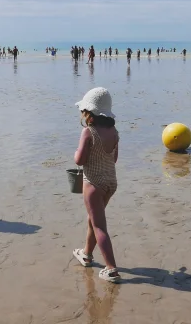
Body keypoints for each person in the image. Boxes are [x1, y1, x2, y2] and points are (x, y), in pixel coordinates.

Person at [72, 87, 121, 283]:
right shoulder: (114, 132)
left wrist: (76, 153)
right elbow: (114, 158)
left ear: (89, 113)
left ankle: (111, 269)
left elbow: (80, 160)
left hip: (93, 183)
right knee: (93, 219)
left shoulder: (89, 132)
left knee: (99, 225)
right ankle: (86, 254)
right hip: (111, 182)